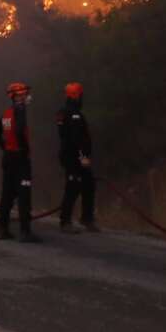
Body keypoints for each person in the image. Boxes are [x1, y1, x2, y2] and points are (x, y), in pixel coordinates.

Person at [0, 82, 41, 243]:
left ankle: (2, 229)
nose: (26, 96)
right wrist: (24, 148)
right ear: (16, 96)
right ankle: (25, 232)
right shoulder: (20, 110)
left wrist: (4, 146)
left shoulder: (7, 113)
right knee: (24, 194)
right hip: (20, 159)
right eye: (23, 94)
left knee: (7, 194)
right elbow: (19, 131)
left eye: (25, 93)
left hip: (8, 158)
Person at [57, 82, 98, 233]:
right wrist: (83, 157)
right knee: (73, 187)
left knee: (89, 184)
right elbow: (74, 139)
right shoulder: (73, 113)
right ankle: (65, 221)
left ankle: (87, 218)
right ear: (77, 95)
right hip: (72, 157)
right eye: (81, 94)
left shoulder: (65, 111)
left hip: (74, 156)